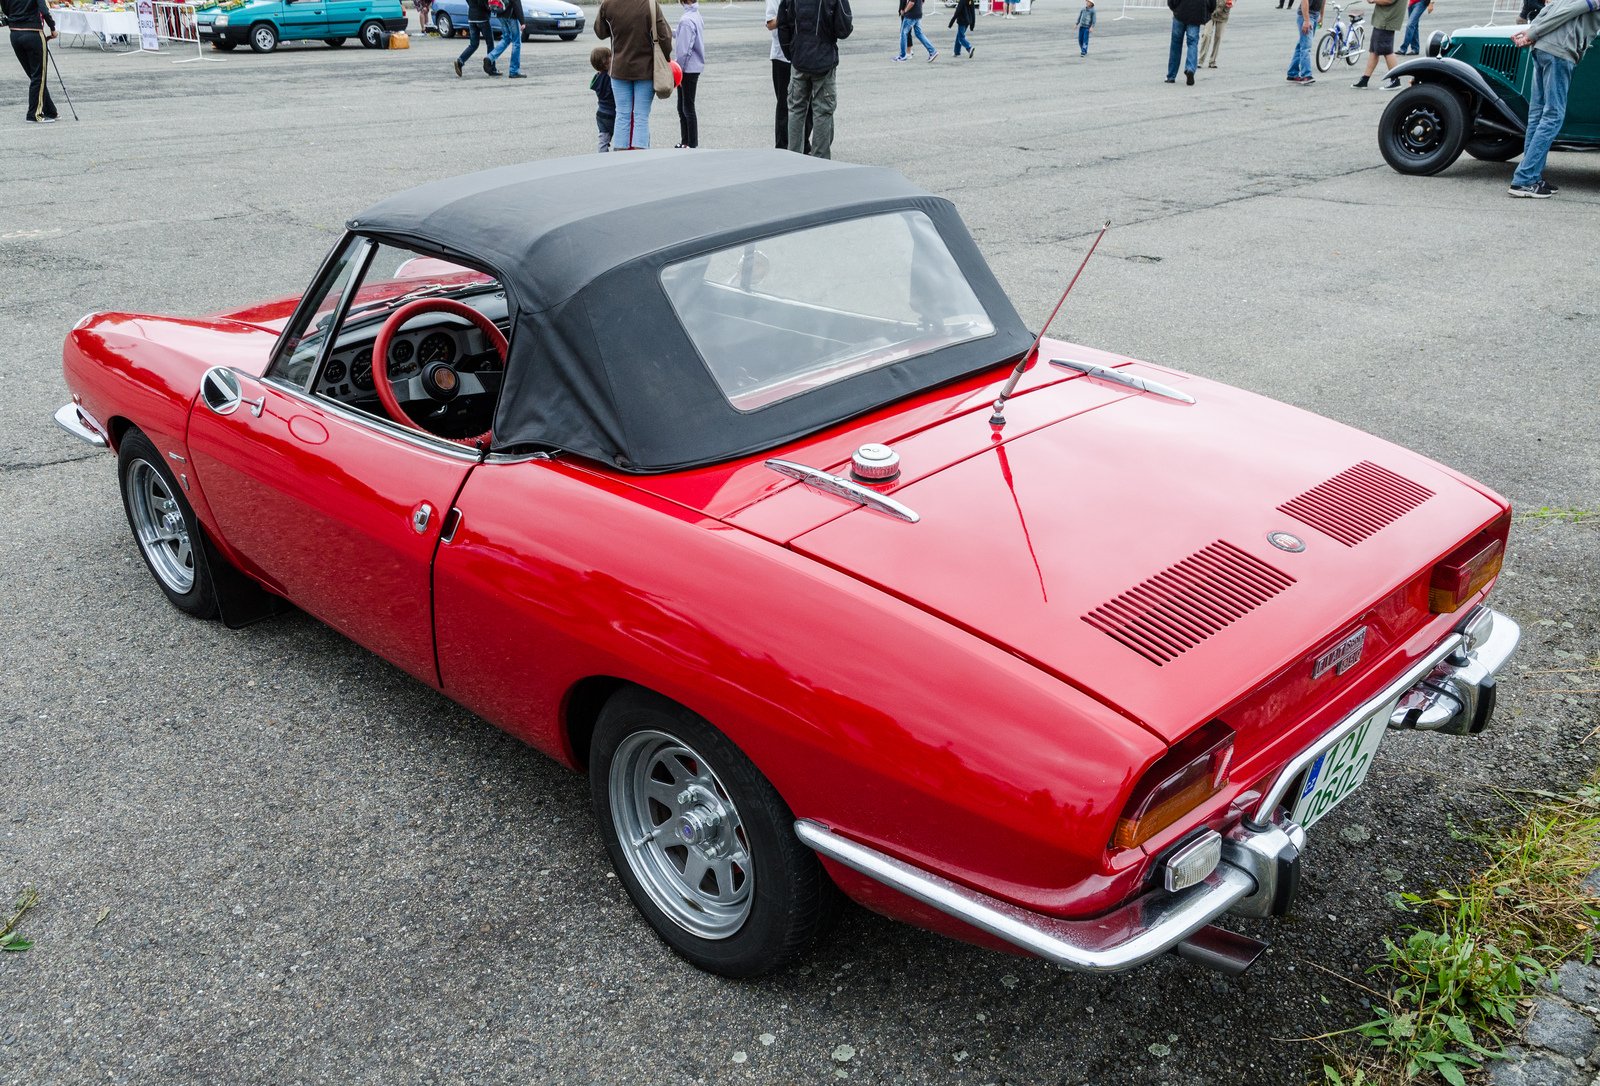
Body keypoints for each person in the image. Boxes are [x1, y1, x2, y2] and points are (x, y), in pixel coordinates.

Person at [1508, 0, 1600, 197]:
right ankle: (1524, 179)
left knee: (1537, 115)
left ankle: (1532, 177)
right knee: (1553, 116)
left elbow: (1550, 9)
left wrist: (1532, 33)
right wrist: (1532, 33)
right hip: (1559, 52)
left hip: (1542, 48)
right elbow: (1567, 11)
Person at [777, 0, 851, 157]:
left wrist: (792, 53)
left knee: (796, 110)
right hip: (823, 61)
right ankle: (820, 161)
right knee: (822, 112)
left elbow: (783, 24)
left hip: (799, 59)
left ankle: (793, 158)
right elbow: (844, 29)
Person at [595, 0, 672, 149]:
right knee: (641, 116)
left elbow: (600, 32)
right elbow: (664, 37)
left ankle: (620, 157)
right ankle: (640, 157)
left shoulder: (608, 4)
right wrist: (666, 58)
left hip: (619, 69)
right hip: (646, 70)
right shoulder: (650, 3)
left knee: (622, 115)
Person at [766, 0, 811, 149]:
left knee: (806, 103)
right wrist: (789, 15)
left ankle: (804, 143)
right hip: (781, 56)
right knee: (784, 104)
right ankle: (782, 145)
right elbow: (770, 24)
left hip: (802, 53)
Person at [5, 0, 57, 123]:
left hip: (15, 33)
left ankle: (50, 110)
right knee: (39, 76)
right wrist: (52, 27)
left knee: (34, 76)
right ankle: (34, 114)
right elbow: (44, 10)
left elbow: (5, 9)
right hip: (33, 32)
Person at [1352, 0, 1404, 86]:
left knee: (1387, 51)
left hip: (1386, 19)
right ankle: (1365, 79)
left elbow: (1389, 1)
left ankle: (1395, 80)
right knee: (1374, 51)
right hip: (1382, 19)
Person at [674, 0, 703, 146]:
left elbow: (684, 51)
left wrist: (679, 70)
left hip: (686, 69)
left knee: (686, 108)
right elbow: (683, 34)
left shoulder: (686, 20)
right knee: (684, 106)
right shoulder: (695, 14)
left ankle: (691, 143)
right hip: (693, 67)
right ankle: (686, 142)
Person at [1165, 0, 1213, 84]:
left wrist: (1173, 6)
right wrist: (1210, 9)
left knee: (1176, 44)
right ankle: (1190, 68)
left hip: (1180, 11)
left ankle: (1171, 75)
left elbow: (1171, 2)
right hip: (1196, 12)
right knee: (1192, 42)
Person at [484, 0, 524, 77]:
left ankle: (490, 57)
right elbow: (516, 3)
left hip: (500, 14)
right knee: (516, 42)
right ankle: (514, 71)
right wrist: (522, 21)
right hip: (510, 16)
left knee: (506, 38)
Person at [453, 0, 493, 76]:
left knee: (473, 45)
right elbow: (482, 3)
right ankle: (491, 68)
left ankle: (460, 61)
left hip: (471, 17)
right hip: (482, 18)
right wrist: (489, 8)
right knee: (490, 43)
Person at [1286, 0, 1321, 84]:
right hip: (1306, 15)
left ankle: (1292, 73)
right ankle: (1306, 75)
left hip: (1315, 15)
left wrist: (1321, 16)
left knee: (1301, 45)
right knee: (1306, 47)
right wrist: (1306, 20)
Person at [590, 46, 616, 150]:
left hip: (600, 113)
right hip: (612, 113)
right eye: (610, 56)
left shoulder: (596, 77)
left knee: (603, 139)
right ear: (606, 62)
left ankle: (602, 155)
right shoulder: (610, 77)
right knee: (620, 136)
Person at [1199, 0, 1229, 67]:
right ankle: (1200, 60)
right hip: (1209, 11)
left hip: (1223, 12)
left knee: (1218, 37)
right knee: (1206, 35)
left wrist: (1232, 2)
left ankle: (1212, 61)